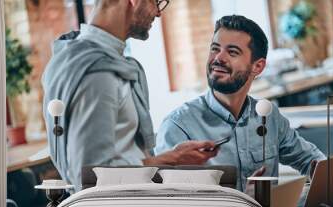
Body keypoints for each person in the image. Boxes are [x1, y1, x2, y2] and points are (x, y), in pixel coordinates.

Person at [42, 0, 218, 190]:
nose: (158, 13)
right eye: (156, 2)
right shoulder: (97, 72)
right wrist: (171, 160)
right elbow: (90, 177)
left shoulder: (76, 57)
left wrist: (170, 157)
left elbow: (119, 153)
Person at [155, 15, 325, 194]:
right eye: (215, 49)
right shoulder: (178, 126)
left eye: (232, 52)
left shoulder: (268, 117)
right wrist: (245, 201)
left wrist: (328, 174)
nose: (218, 58)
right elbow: (173, 203)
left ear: (257, 67)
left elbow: (311, 160)